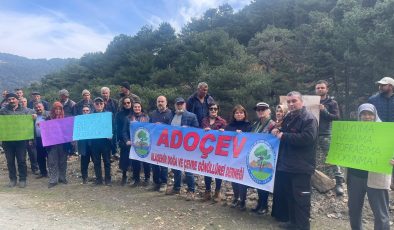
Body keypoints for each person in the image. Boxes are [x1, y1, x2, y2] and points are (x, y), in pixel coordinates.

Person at [271, 91, 318, 230]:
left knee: (301, 199)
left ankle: (303, 226)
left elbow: (307, 138)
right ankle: (293, 223)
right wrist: (276, 130)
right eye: (289, 102)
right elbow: (282, 131)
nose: (291, 104)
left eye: (294, 101)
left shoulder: (309, 118)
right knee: (290, 197)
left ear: (301, 102)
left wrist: (283, 136)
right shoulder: (289, 117)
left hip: (301, 166)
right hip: (287, 165)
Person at [347, 103, 392, 230]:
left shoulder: (385, 131)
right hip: (355, 176)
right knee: (354, 209)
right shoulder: (352, 130)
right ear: (359, 116)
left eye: (370, 114)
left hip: (377, 176)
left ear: (375, 115)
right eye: (363, 114)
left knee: (380, 213)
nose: (367, 117)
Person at [166, 97, 199, 201]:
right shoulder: (171, 115)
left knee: (188, 169)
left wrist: (188, 130)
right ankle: (176, 188)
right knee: (176, 169)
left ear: (185, 104)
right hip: (174, 147)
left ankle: (191, 190)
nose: (179, 105)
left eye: (181, 103)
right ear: (175, 105)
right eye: (177, 104)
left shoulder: (192, 116)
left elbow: (197, 130)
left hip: (187, 148)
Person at [0, 92, 34, 188]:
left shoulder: (26, 110)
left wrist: (34, 117)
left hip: (21, 141)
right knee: (10, 161)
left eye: (13, 99)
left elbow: (35, 115)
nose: (11, 101)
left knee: (22, 160)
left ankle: (22, 179)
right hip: (7, 141)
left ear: (17, 99)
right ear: (7, 101)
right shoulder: (3, 111)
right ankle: (12, 179)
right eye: (9, 99)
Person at [315, 80, 343, 195]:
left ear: (327, 89)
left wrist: (324, 110)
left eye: (322, 88)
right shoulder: (310, 101)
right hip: (311, 133)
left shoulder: (332, 102)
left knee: (331, 157)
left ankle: (339, 182)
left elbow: (336, 117)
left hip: (325, 134)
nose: (320, 89)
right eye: (318, 88)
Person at [368, 76, 394, 190]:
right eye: (380, 84)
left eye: (383, 85)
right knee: (382, 157)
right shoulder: (373, 99)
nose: (380, 86)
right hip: (378, 134)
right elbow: (368, 116)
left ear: (391, 86)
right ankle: (382, 183)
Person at [250, 102, 276, 215]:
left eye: (263, 109)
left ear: (269, 111)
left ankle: (265, 205)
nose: (260, 111)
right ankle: (260, 203)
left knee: (264, 181)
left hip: (267, 158)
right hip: (257, 156)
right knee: (258, 182)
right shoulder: (256, 124)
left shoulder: (272, 124)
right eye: (258, 110)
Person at [225, 105, 251, 210]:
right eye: (237, 113)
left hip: (243, 157)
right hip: (232, 156)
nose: (239, 114)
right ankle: (236, 197)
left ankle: (242, 200)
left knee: (242, 179)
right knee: (233, 178)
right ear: (233, 114)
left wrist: (243, 134)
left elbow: (250, 139)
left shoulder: (249, 126)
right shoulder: (229, 126)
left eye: (241, 113)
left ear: (244, 114)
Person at [201, 102, 227, 202]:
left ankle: (217, 191)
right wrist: (203, 131)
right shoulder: (204, 120)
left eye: (215, 109)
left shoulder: (223, 122)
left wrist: (222, 132)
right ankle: (207, 191)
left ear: (218, 110)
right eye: (211, 109)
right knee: (206, 170)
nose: (213, 110)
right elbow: (198, 132)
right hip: (206, 150)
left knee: (217, 170)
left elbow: (227, 134)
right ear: (209, 110)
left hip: (218, 151)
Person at [123, 101, 151, 187]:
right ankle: (136, 179)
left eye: (138, 107)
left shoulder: (146, 117)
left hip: (145, 143)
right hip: (134, 144)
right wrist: (126, 140)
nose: (137, 108)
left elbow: (151, 129)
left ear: (141, 107)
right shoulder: (128, 118)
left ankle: (147, 179)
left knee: (146, 161)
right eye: (135, 107)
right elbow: (124, 131)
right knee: (135, 162)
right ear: (133, 108)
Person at [149, 96, 173, 192]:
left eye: (162, 101)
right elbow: (149, 126)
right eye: (158, 101)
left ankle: (164, 182)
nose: (160, 103)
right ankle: (156, 182)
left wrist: (162, 126)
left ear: (166, 103)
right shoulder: (153, 113)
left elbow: (173, 128)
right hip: (154, 142)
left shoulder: (170, 113)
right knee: (154, 162)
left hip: (165, 142)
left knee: (163, 163)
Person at [45, 102, 68, 188]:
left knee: (62, 161)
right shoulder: (48, 119)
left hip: (63, 144)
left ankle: (62, 178)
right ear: (53, 110)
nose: (58, 111)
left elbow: (68, 131)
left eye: (60, 109)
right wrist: (41, 126)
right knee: (52, 162)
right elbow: (45, 130)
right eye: (56, 109)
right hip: (52, 144)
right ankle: (53, 180)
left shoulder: (65, 119)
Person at [90, 97, 112, 186]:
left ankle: (108, 179)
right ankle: (98, 179)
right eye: (97, 103)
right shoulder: (90, 116)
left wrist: (111, 134)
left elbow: (113, 126)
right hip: (94, 142)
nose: (99, 105)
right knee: (96, 162)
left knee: (107, 161)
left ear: (104, 104)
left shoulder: (108, 115)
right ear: (94, 105)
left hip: (106, 142)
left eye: (101, 103)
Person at [116, 97, 133, 185]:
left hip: (134, 140)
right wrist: (120, 139)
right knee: (124, 159)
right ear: (123, 104)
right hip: (124, 140)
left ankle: (134, 176)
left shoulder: (134, 112)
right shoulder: (119, 114)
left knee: (134, 159)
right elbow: (118, 128)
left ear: (131, 103)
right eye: (125, 103)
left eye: (128, 102)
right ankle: (124, 176)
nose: (127, 104)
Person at [20, 96, 38, 175]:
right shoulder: (17, 112)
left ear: (26, 102)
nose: (23, 103)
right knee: (21, 154)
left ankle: (35, 168)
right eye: (21, 101)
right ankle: (23, 170)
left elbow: (36, 123)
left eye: (24, 101)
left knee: (32, 153)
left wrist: (35, 117)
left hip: (30, 135)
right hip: (20, 136)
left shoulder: (32, 111)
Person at [101, 87, 119, 159]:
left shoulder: (114, 102)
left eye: (106, 93)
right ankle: (108, 154)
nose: (105, 94)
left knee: (114, 137)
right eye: (103, 93)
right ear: (101, 94)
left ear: (109, 93)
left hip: (113, 122)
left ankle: (115, 152)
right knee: (105, 139)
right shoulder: (99, 102)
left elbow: (117, 112)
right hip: (103, 124)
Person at [33, 102, 50, 179]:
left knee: (49, 156)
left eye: (39, 107)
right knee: (40, 156)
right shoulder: (33, 116)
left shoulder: (48, 114)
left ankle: (52, 172)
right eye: (36, 107)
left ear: (43, 107)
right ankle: (43, 172)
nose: (38, 109)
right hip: (38, 139)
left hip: (48, 138)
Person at [78, 105, 93, 184]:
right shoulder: (78, 120)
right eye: (84, 111)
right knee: (84, 162)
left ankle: (98, 177)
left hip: (93, 144)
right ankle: (84, 178)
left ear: (89, 111)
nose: (85, 112)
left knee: (96, 161)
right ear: (82, 112)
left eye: (87, 110)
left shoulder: (94, 120)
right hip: (83, 145)